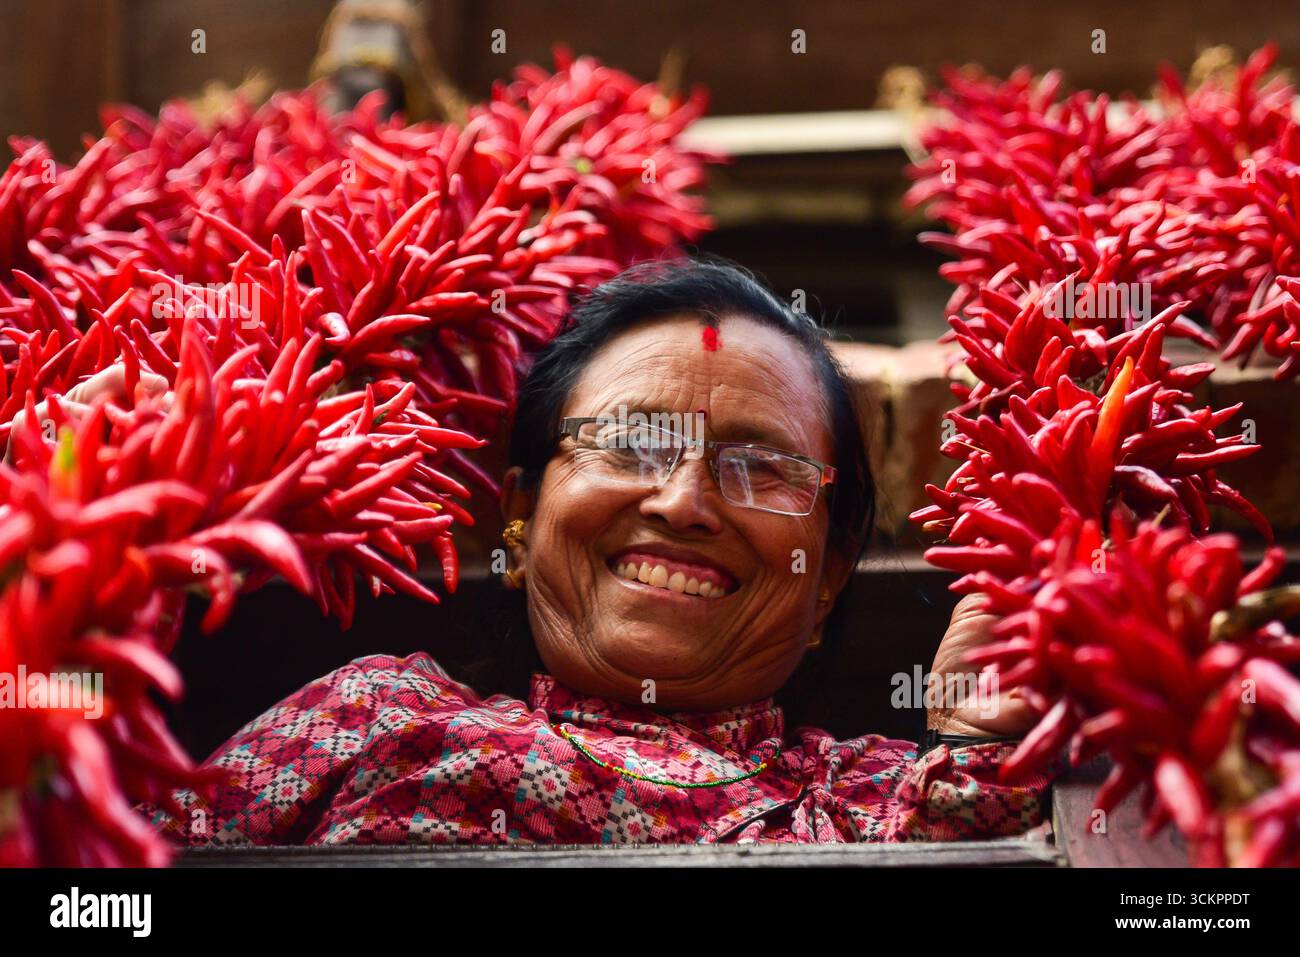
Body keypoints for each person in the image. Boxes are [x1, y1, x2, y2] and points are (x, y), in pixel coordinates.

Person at [147, 258, 1050, 846]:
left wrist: (983, 745)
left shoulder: (883, 804)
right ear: (522, 511)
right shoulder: (371, 716)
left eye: (762, 466)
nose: (683, 501)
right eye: (631, 442)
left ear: (830, 576)